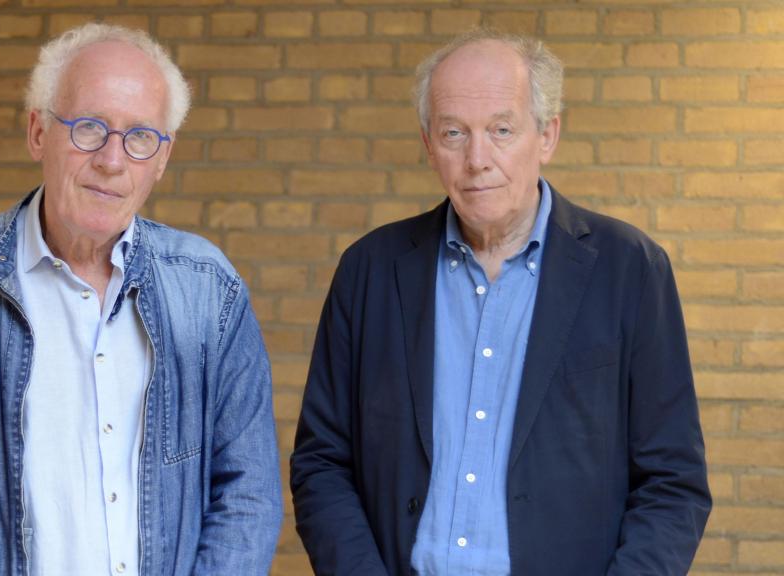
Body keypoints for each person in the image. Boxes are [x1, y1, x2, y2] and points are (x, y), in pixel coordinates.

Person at [0, 22, 281, 576]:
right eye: (89, 128)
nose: (112, 160)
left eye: (139, 138)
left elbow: (248, 493)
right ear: (38, 132)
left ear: (161, 158)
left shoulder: (210, 291)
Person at [290, 29, 710, 576]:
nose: (477, 159)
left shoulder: (631, 269)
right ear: (427, 143)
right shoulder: (369, 270)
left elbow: (673, 484)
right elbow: (322, 462)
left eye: (502, 130)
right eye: (454, 133)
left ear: (547, 136)